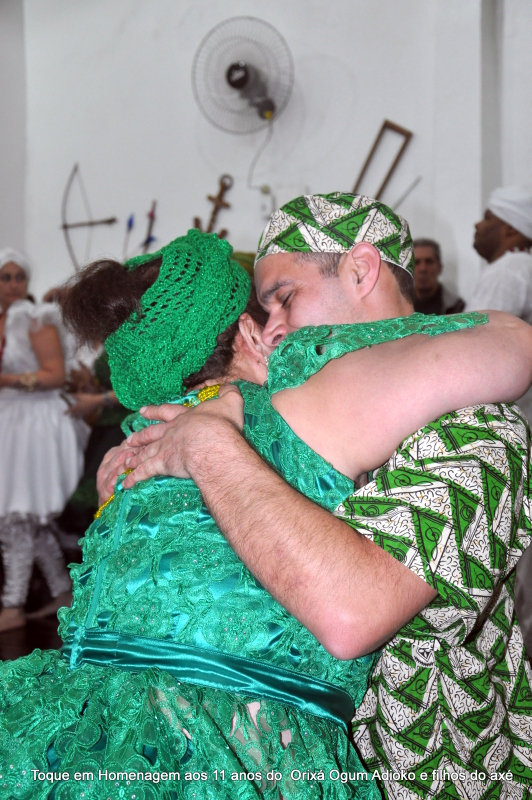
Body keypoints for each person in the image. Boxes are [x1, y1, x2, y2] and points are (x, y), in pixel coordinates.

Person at [1, 226, 531, 800]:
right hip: (242, 755)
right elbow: (513, 340)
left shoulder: (135, 458)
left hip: (81, 737)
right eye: (268, 309)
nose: (282, 328)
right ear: (249, 333)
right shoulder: (302, 399)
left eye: (287, 300)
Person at [0, 249, 85, 632]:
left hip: (34, 425)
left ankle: (12, 605)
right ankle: (62, 590)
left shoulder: (36, 319)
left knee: (15, 519)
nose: (13, 284)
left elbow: (55, 375)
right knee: (25, 518)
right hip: (10, 421)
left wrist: (9, 380)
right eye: (5, 276)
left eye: (19, 276)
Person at [467, 185, 532, 660]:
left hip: (510, 433)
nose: (477, 225)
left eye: (487, 217)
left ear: (510, 229)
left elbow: (475, 355)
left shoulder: (509, 270)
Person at [413, 238, 465, 315]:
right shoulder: (397, 306)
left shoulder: (457, 308)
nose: (423, 269)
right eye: (416, 262)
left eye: (428, 262)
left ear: (439, 268)